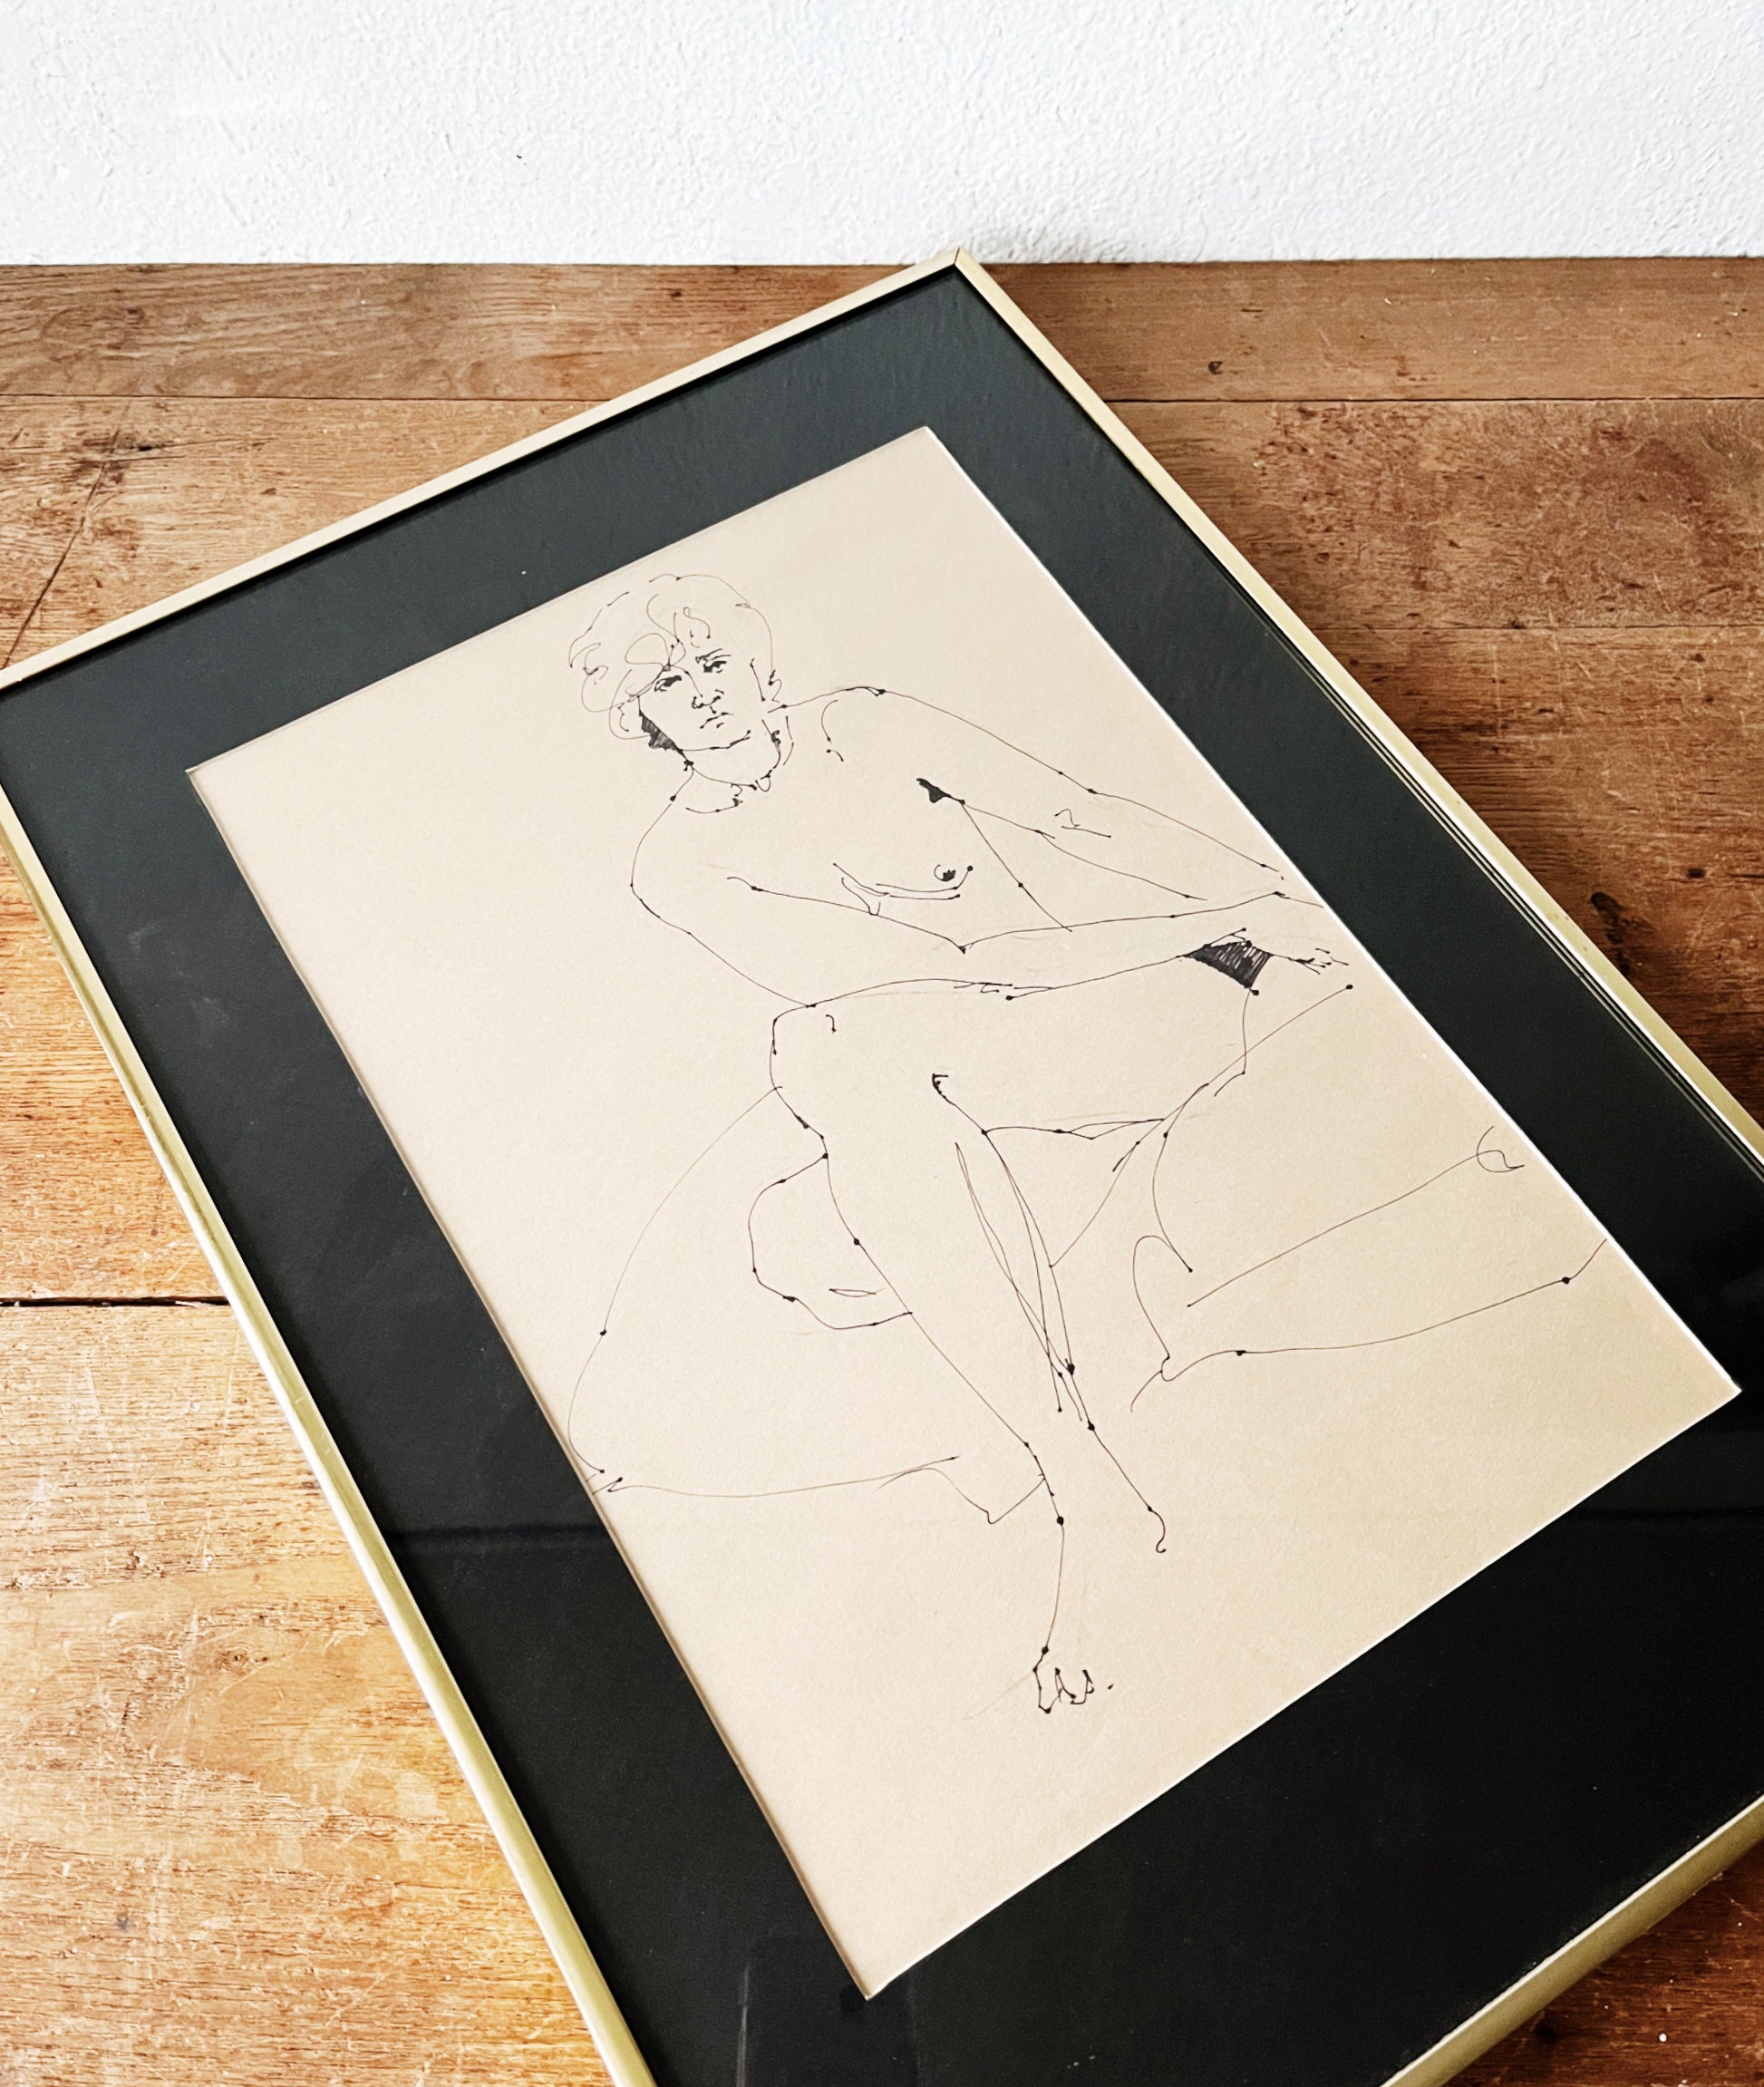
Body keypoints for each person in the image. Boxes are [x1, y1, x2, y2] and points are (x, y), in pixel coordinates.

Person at [568, 574, 1594, 1710]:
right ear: (640, 718)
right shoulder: (677, 864)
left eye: (712, 663)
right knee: (819, 1099)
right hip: (986, 1044)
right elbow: (951, 969)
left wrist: (1284, 903)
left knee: (829, 1067)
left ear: (755, 660)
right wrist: (1228, 919)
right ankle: (1079, 1470)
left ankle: (1077, 1484)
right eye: (669, 683)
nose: (703, 694)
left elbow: (1083, 816)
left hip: (1132, 1014)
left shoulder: (863, 725)